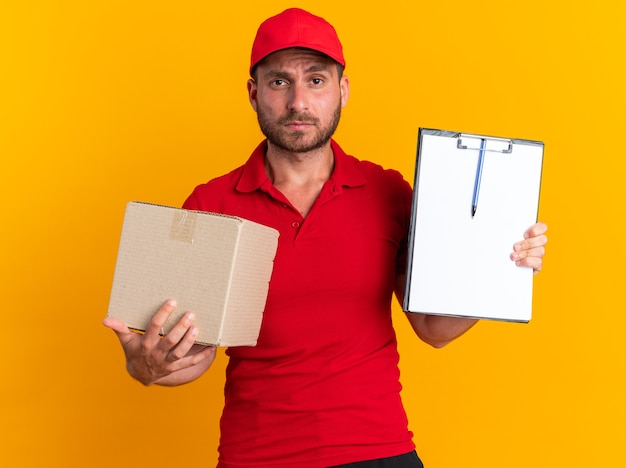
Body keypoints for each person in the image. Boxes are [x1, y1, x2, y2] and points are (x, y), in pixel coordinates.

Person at [103, 8, 548, 468]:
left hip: (380, 450)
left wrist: (500, 272)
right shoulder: (213, 203)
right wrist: (149, 365)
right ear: (254, 94)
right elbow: (197, 354)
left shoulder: (389, 192)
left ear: (343, 90)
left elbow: (433, 330)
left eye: (316, 80)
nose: (298, 102)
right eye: (279, 82)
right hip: (258, 456)